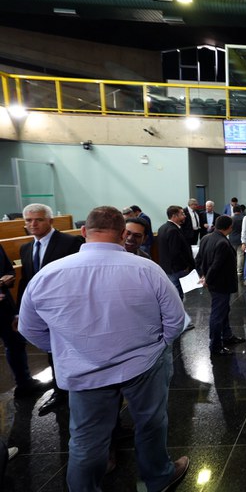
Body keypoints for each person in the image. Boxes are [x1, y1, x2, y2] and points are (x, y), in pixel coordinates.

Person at [18, 206, 190, 492]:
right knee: (151, 423)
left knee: (86, 440)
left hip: (83, 371)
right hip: (143, 364)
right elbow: (175, 320)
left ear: (84, 231)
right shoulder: (147, 269)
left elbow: (29, 328)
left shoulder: (48, 274)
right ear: (123, 234)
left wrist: (67, 349)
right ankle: (158, 478)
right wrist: (159, 345)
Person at [17, 203, 83, 415]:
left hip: (68, 309)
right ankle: (60, 390)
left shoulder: (70, 242)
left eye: (38, 219)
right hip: (41, 311)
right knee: (51, 350)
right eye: (28, 220)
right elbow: (26, 281)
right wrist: (21, 311)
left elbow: (79, 277)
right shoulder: (26, 248)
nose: (33, 224)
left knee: (73, 350)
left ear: (50, 221)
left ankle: (78, 389)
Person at [0, 243, 49, 398]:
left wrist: (7, 279)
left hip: (4, 306)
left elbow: (8, 269)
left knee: (15, 343)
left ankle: (24, 383)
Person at [196, 216, 245, 356]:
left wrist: (202, 275)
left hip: (214, 283)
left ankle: (227, 336)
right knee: (217, 314)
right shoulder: (222, 242)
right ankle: (215, 345)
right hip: (221, 284)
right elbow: (216, 265)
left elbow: (198, 260)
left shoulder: (206, 238)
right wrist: (207, 279)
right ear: (229, 227)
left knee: (224, 310)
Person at [157, 205, 195, 300]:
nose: (184, 216)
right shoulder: (173, 230)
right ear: (174, 216)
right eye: (182, 214)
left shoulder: (162, 228)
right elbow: (175, 252)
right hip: (176, 269)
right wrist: (186, 266)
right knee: (177, 295)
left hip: (168, 267)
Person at [229, 204, 245, 275]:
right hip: (241, 239)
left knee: (232, 255)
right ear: (240, 210)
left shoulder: (231, 219)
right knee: (240, 255)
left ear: (233, 211)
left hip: (232, 239)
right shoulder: (244, 218)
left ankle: (232, 268)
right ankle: (239, 270)